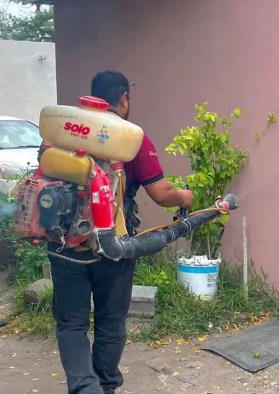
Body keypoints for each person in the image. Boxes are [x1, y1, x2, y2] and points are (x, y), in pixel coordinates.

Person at [48, 70, 193, 394]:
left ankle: (86, 388)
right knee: (111, 321)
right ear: (124, 98)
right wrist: (185, 196)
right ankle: (105, 386)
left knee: (71, 324)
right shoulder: (129, 137)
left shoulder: (63, 130)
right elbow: (161, 193)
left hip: (63, 243)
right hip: (113, 246)